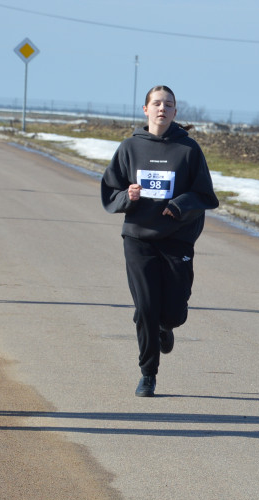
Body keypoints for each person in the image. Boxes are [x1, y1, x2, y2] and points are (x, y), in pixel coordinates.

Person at [100, 85, 218, 397]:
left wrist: (180, 205)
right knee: (146, 308)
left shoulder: (188, 150)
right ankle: (148, 373)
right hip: (138, 237)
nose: (162, 108)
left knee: (174, 313)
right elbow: (110, 190)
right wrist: (128, 195)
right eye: (156, 103)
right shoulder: (130, 148)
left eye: (168, 104)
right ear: (145, 109)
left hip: (177, 239)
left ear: (175, 112)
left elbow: (205, 194)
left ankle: (165, 328)